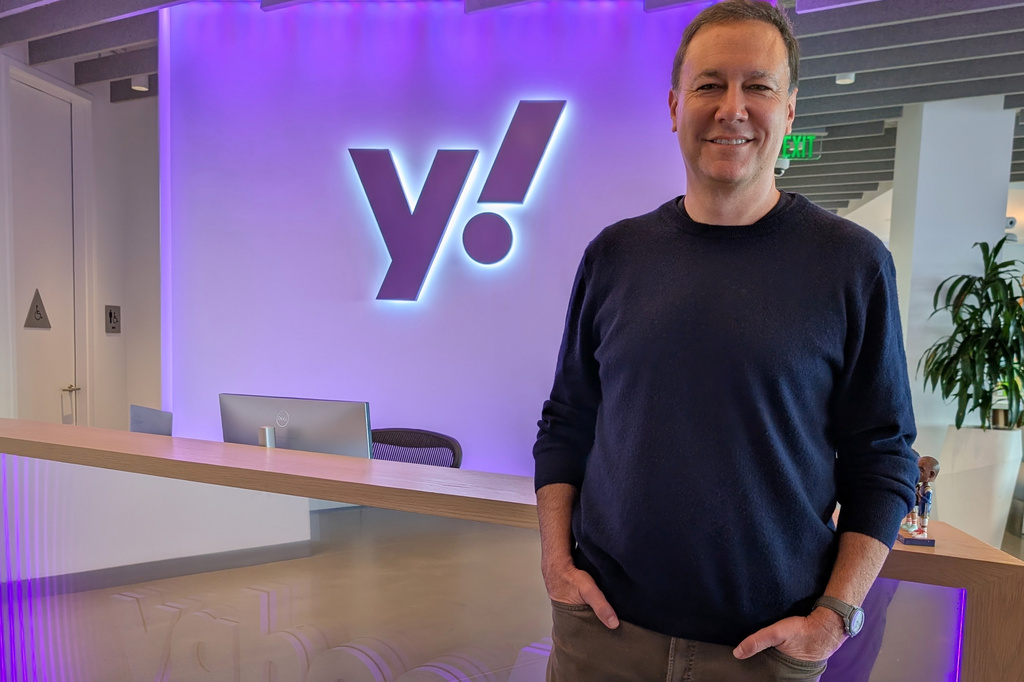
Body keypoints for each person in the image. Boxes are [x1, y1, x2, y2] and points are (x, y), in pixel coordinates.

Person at [531, 1, 919, 680]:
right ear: (676, 106)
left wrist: (835, 615)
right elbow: (567, 421)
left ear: (790, 110)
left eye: (758, 86)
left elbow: (882, 457)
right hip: (603, 637)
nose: (732, 108)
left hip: (765, 652)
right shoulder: (616, 255)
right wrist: (557, 565)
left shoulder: (851, 265)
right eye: (710, 85)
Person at [902, 455, 940, 536]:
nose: (917, 471)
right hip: (920, 504)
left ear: (931, 474)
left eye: (921, 469)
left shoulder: (927, 489)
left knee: (923, 518)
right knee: (919, 516)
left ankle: (923, 532)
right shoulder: (920, 486)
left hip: (924, 506)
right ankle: (919, 530)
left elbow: (926, 499)